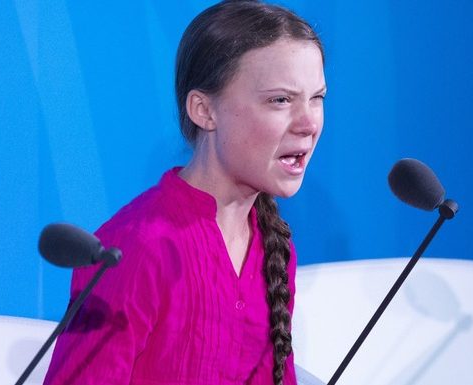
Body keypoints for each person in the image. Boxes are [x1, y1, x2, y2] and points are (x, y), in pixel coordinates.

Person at [43, 1, 325, 384]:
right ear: (204, 110)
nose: (309, 123)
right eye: (280, 100)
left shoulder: (275, 248)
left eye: (317, 98)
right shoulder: (135, 247)